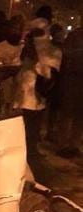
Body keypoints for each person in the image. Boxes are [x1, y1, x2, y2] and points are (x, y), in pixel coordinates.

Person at [13, 29, 56, 162]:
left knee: (26, 126)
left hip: (23, 96)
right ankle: (31, 151)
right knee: (32, 126)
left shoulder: (22, 53)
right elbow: (46, 74)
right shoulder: (39, 58)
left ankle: (27, 150)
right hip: (33, 97)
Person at [56, 9, 83, 158]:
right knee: (68, 113)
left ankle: (74, 145)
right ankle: (63, 145)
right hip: (72, 79)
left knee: (79, 115)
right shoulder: (74, 35)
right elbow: (65, 54)